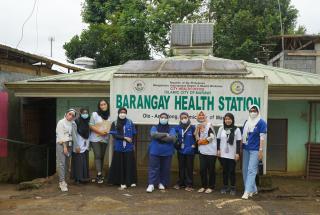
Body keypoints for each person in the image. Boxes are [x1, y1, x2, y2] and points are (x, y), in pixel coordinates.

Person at [241, 104, 267, 200]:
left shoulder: (261, 123)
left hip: (255, 150)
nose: (253, 112)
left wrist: (261, 150)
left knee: (251, 170)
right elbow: (244, 136)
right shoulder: (246, 122)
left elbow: (262, 138)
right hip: (246, 148)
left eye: (254, 110)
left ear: (258, 111)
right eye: (251, 111)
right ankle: (253, 189)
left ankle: (247, 191)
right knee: (244, 169)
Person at [108, 107, 137, 190]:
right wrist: (124, 138)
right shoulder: (115, 123)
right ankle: (120, 181)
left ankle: (130, 181)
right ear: (118, 113)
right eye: (121, 112)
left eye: (124, 112)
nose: (122, 113)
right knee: (119, 164)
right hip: (119, 147)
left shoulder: (130, 122)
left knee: (129, 164)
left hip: (128, 147)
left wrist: (132, 144)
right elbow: (114, 135)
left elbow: (134, 134)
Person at [146, 113, 176, 193]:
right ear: (159, 118)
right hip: (155, 151)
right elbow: (153, 135)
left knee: (165, 168)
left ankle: (162, 183)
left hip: (167, 152)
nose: (163, 119)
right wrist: (165, 134)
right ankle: (151, 184)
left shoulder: (171, 128)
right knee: (153, 168)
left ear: (168, 119)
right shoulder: (154, 127)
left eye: (165, 117)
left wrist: (159, 136)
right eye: (162, 117)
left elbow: (172, 138)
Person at [217, 113, 242, 195]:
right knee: (224, 171)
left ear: (232, 120)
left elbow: (238, 142)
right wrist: (218, 150)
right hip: (223, 154)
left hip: (232, 154)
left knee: (232, 171)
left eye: (229, 119)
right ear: (224, 120)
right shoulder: (221, 128)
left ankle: (233, 187)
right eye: (226, 119)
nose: (227, 120)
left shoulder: (236, 130)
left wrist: (238, 153)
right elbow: (218, 140)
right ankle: (225, 186)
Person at [194, 111, 217, 194]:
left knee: (211, 169)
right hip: (202, 151)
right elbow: (196, 137)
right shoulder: (197, 126)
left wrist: (202, 142)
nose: (201, 116)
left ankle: (211, 186)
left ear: (205, 116)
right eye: (199, 115)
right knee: (202, 169)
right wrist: (198, 140)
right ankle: (204, 186)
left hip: (211, 151)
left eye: (202, 115)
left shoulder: (209, 125)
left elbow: (212, 137)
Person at [89, 99, 111, 184]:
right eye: (101, 105)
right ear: (99, 106)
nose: (103, 106)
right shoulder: (95, 114)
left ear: (107, 105)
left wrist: (107, 132)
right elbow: (90, 125)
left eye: (104, 104)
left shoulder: (110, 115)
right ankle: (98, 174)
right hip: (95, 138)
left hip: (105, 138)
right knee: (97, 155)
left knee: (102, 156)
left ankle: (100, 173)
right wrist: (100, 132)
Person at [174, 112, 196, 191]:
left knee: (189, 168)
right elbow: (174, 137)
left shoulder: (192, 127)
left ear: (188, 117)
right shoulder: (178, 127)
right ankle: (181, 183)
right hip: (181, 151)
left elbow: (196, 137)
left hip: (190, 151)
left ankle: (189, 184)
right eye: (182, 118)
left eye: (185, 117)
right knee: (181, 167)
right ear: (180, 119)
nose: (184, 119)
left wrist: (194, 145)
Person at [56, 109, 76, 192]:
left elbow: (74, 134)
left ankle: (65, 180)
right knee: (62, 163)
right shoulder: (61, 122)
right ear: (66, 113)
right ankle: (61, 182)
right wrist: (64, 147)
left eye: (72, 115)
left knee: (67, 163)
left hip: (70, 144)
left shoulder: (73, 123)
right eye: (69, 114)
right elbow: (60, 135)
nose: (70, 116)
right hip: (62, 144)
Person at [71, 108, 91, 184]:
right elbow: (74, 135)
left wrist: (88, 145)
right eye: (83, 112)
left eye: (86, 112)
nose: (85, 114)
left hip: (85, 145)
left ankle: (83, 178)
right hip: (78, 145)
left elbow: (89, 134)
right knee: (78, 162)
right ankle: (77, 179)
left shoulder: (88, 122)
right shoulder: (76, 122)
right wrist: (76, 145)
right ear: (80, 113)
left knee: (84, 162)